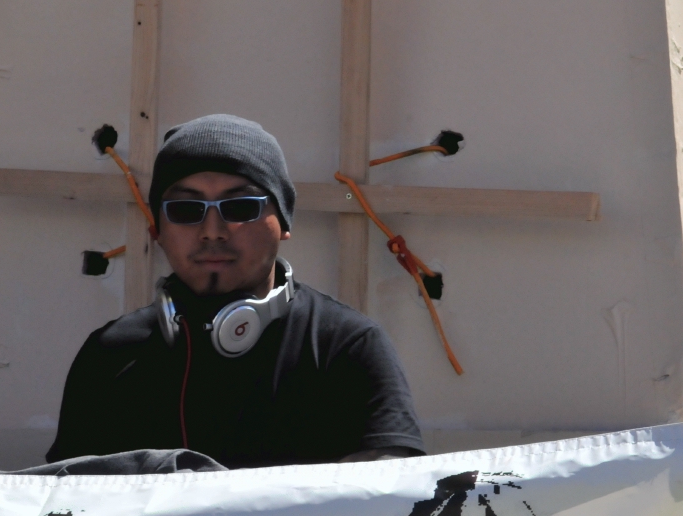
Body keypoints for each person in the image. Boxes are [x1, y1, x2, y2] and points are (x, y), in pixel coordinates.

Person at [47, 114, 424, 468]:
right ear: (157, 231)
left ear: (284, 221)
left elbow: (391, 509)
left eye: (241, 207)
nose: (213, 230)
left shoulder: (349, 346)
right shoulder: (109, 353)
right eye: (185, 209)